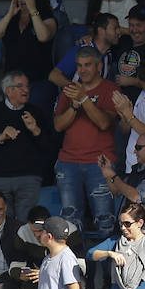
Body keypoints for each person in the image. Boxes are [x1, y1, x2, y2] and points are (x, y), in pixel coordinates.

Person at [52, 46, 118, 244]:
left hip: (100, 162)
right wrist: (74, 104)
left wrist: (83, 99)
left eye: (88, 65)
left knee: (105, 220)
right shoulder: (69, 90)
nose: (83, 70)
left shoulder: (110, 89)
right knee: (70, 221)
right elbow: (58, 125)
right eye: (79, 66)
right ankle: (76, 272)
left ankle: (108, 273)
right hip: (68, 162)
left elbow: (104, 122)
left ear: (98, 66)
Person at [0, 73, 53, 222]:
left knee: (26, 225)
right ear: (8, 90)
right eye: (20, 86)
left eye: (27, 86)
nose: (26, 90)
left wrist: (35, 129)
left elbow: (49, 147)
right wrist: (1, 137)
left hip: (29, 178)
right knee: (2, 225)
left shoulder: (36, 112)